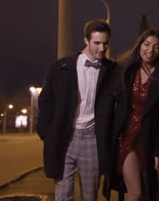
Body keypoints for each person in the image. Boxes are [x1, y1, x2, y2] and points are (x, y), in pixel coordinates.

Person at [37, 19, 119, 201]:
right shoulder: (61, 67)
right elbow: (46, 102)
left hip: (92, 138)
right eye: (97, 43)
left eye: (106, 43)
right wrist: (47, 133)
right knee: (63, 193)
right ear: (86, 40)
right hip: (64, 137)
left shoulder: (113, 71)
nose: (102, 48)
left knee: (90, 195)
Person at [104, 29, 159, 201]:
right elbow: (109, 104)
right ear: (139, 45)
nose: (150, 50)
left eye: (156, 47)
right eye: (147, 44)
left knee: (147, 192)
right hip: (125, 137)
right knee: (136, 191)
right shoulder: (125, 71)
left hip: (149, 138)